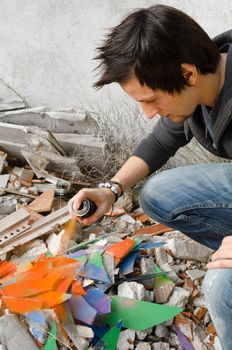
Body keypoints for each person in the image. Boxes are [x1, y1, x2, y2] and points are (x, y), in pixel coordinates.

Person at [69, 5, 232, 349]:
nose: (147, 114)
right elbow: (162, 139)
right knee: (157, 194)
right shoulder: (206, 77)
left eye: (152, 100)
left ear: (187, 74)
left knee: (221, 288)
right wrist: (110, 190)